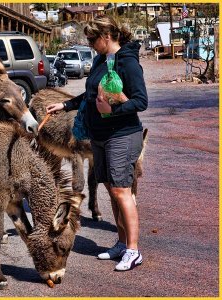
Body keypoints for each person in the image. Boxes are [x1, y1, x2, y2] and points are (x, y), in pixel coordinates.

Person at [46, 15, 148, 271]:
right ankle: (122, 243)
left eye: (92, 39)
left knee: (121, 191)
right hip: (100, 136)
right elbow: (90, 95)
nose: (90, 43)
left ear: (107, 36)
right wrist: (66, 104)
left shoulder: (128, 62)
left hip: (122, 134)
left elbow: (141, 101)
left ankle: (133, 250)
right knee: (112, 191)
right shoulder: (102, 59)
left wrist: (111, 111)